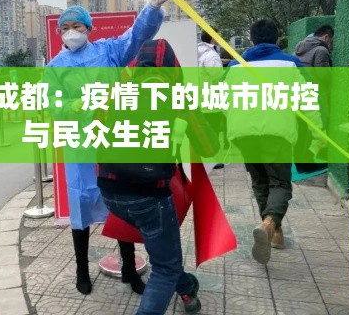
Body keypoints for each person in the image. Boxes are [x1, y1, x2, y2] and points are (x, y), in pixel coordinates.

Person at [45, 0, 168, 295]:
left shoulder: (108, 51)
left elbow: (136, 36)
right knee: (80, 205)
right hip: (79, 145)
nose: (71, 32)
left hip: (112, 142)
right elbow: (52, 105)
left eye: (77, 27)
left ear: (89, 29)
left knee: (122, 205)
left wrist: (153, 6)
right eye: (65, 28)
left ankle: (129, 268)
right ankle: (81, 270)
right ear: (59, 33)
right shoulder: (54, 67)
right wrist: (75, 105)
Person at [98, 39, 202, 315]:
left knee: (163, 252)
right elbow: (208, 144)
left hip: (110, 192)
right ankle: (184, 286)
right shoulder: (177, 96)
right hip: (149, 196)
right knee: (165, 267)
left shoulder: (116, 91)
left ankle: (187, 288)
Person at [227, 19, 324, 264]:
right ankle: (270, 223)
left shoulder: (235, 65)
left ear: (251, 40)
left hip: (244, 135)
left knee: (260, 182)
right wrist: (318, 135)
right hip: (277, 134)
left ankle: (274, 232)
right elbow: (308, 100)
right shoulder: (290, 63)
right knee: (280, 184)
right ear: (278, 39)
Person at [294, 24, 334, 172]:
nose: (331, 44)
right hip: (314, 94)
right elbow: (323, 75)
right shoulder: (321, 50)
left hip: (299, 93)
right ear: (326, 37)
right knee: (316, 127)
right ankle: (307, 163)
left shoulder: (299, 49)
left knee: (302, 129)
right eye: (331, 40)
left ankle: (301, 162)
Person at [197, 28, 225, 168]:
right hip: (211, 99)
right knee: (213, 129)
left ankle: (204, 158)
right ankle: (212, 159)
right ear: (213, 37)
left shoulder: (198, 51)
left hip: (200, 97)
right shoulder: (211, 55)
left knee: (203, 129)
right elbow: (217, 76)